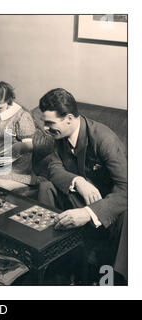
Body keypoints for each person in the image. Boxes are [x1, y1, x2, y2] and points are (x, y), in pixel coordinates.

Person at [37, 88, 127, 283]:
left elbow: (128, 189)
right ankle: (49, 257)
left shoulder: (105, 139)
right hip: (80, 197)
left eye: (49, 123)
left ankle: (115, 282)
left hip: (109, 209)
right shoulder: (60, 135)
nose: (45, 128)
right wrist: (78, 182)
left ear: (69, 118)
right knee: (46, 187)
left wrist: (89, 212)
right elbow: (53, 166)